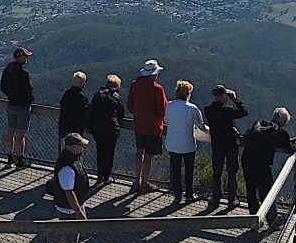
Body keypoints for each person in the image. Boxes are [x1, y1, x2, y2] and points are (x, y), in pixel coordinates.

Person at [241, 107, 296, 214]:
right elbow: (290, 150)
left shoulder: (260, 123)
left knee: (251, 189)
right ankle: (271, 220)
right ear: (284, 122)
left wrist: (288, 140)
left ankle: (252, 218)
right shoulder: (282, 133)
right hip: (262, 166)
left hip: (247, 160)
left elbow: (266, 139)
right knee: (266, 193)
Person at [125, 59, 168, 194]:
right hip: (153, 127)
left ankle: (137, 180)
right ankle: (144, 183)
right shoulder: (157, 89)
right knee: (148, 156)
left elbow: (130, 106)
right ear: (154, 74)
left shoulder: (134, 86)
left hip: (138, 125)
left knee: (139, 152)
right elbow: (163, 109)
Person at [204, 84, 249, 208]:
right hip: (230, 145)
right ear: (223, 96)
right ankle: (231, 199)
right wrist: (235, 99)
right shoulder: (228, 110)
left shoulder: (208, 110)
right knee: (232, 172)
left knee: (217, 172)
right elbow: (244, 112)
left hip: (217, 145)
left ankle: (215, 198)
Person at [164, 80, 207, 204]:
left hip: (172, 142)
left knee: (175, 170)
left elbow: (166, 121)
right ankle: (189, 194)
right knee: (189, 170)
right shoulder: (192, 109)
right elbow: (201, 126)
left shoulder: (169, 105)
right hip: (187, 143)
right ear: (188, 93)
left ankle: (177, 195)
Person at [50, 132, 90, 243]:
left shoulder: (71, 159)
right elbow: (69, 192)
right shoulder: (67, 167)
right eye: (80, 145)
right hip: (69, 209)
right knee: (72, 238)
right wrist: (78, 211)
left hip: (75, 205)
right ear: (73, 147)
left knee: (72, 233)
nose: (82, 148)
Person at [86, 74, 126, 188]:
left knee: (100, 152)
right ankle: (106, 177)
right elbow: (121, 113)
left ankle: (100, 176)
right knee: (109, 153)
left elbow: (91, 109)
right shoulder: (116, 96)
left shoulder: (98, 95)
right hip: (111, 131)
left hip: (98, 130)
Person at [0, 45, 34, 168]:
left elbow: (2, 87)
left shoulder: (8, 70)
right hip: (23, 107)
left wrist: (11, 96)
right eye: (25, 56)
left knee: (10, 132)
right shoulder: (24, 73)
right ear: (20, 57)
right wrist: (29, 100)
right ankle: (20, 161)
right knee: (20, 136)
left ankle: (9, 159)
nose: (27, 58)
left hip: (11, 105)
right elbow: (29, 90)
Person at [58, 70, 90, 140]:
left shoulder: (66, 95)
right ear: (82, 83)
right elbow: (86, 113)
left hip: (65, 129)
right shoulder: (82, 98)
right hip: (76, 131)